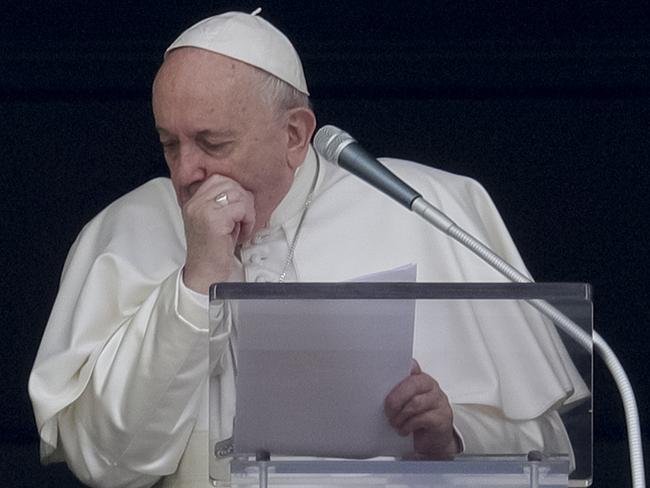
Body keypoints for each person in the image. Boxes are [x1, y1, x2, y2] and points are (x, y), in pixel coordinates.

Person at [29, 10, 589, 488]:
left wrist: (453, 435)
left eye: (212, 143)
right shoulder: (126, 227)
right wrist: (196, 282)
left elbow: (545, 445)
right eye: (169, 144)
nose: (186, 171)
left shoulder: (427, 206)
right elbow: (107, 462)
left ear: (295, 134)